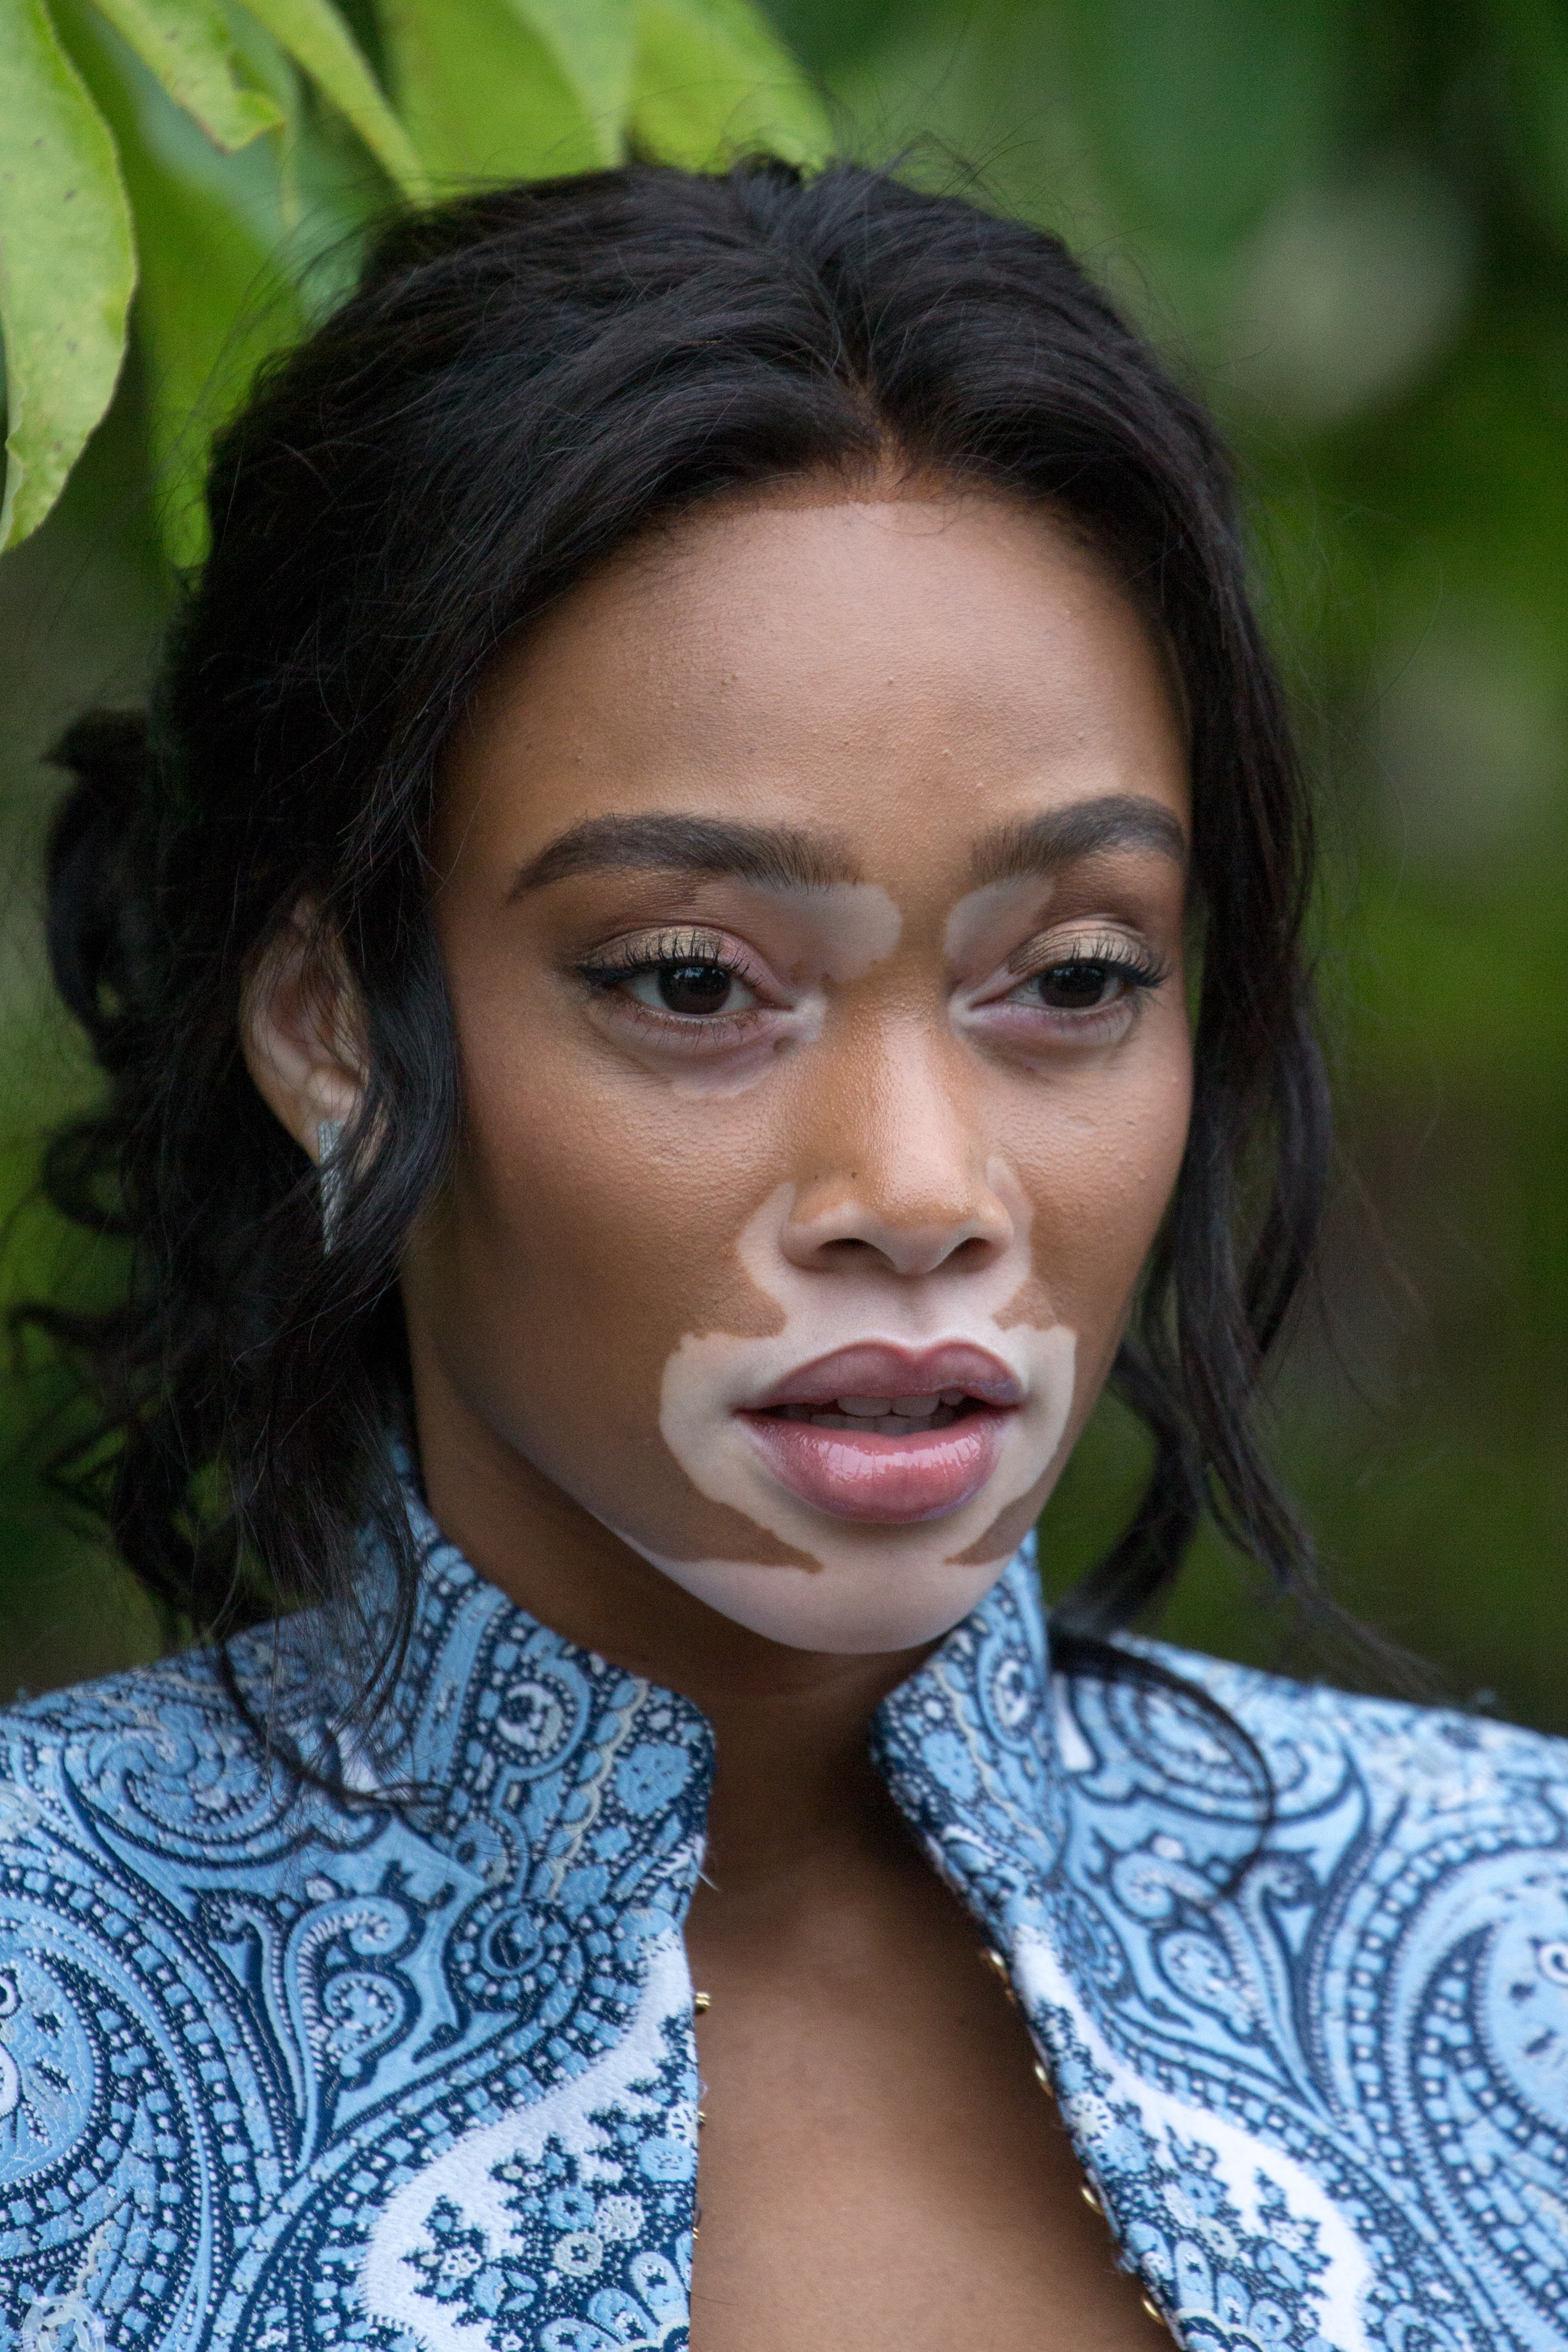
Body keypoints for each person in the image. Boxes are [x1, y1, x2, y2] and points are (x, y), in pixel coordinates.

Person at [1, 158, 1563, 2352]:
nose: (921, 1187)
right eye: (688, 980)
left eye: (1077, 975)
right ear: (329, 1023)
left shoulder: (1526, 1939)